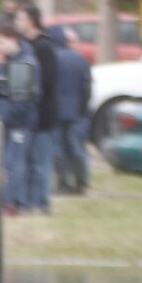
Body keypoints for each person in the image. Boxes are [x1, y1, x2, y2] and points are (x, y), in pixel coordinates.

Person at [0, 24, 40, 214]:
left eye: (0, 42)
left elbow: (21, 101)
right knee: (13, 164)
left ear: (12, 40)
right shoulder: (16, 61)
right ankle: (16, 202)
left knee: (14, 164)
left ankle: (12, 203)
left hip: (17, 125)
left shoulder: (21, 65)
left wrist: (4, 119)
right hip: (14, 123)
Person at [17, 5, 61, 214]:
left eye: (20, 19)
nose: (17, 23)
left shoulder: (43, 46)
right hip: (29, 115)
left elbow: (49, 80)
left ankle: (41, 203)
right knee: (27, 161)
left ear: (31, 21)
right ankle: (27, 201)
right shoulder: (24, 46)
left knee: (40, 162)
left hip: (43, 114)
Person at [48, 25, 92, 195]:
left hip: (57, 110)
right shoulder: (80, 59)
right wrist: (82, 107)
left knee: (58, 148)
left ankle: (63, 182)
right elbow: (86, 87)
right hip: (76, 110)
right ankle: (81, 181)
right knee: (76, 147)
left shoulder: (52, 58)